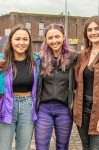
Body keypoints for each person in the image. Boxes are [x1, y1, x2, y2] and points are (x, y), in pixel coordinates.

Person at [0, 24, 40, 150]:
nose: (21, 43)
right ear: (11, 40)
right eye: (17, 39)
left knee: (23, 146)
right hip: (6, 106)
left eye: (25, 39)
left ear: (29, 42)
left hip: (28, 106)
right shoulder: (1, 60)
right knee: (3, 146)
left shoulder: (36, 61)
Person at [35, 23, 78, 150]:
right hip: (44, 110)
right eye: (50, 38)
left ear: (64, 37)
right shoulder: (40, 58)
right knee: (41, 146)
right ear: (46, 40)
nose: (54, 41)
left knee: (62, 146)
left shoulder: (74, 57)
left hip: (64, 109)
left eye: (57, 37)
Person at [73, 16, 99, 150]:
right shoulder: (83, 55)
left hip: (97, 111)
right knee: (86, 147)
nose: (93, 32)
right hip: (82, 110)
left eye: (96, 28)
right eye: (90, 30)